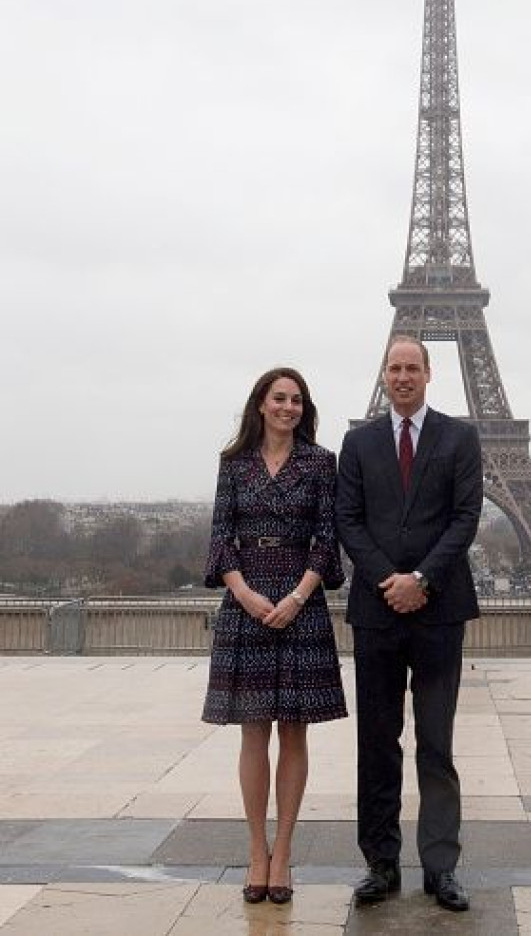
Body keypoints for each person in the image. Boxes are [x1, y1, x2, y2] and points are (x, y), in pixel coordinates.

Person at [336, 336, 482, 912]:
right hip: (378, 612)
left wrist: (420, 579)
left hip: (439, 608)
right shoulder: (359, 442)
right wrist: (388, 582)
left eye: (411, 368)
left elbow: (465, 517)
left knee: (436, 743)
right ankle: (380, 862)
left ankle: (440, 866)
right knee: (376, 743)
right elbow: (348, 520)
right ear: (385, 374)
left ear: (429, 374)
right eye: (394, 368)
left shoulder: (460, 436)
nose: (402, 376)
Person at [202, 367, 347, 905]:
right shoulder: (233, 464)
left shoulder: (320, 462)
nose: (288, 406)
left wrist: (296, 597)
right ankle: (255, 851)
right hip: (247, 600)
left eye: (297, 399)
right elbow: (221, 537)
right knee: (252, 732)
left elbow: (327, 538)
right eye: (278, 398)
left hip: (299, 600)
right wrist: (243, 593)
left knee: (293, 733)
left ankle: (282, 853)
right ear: (260, 404)